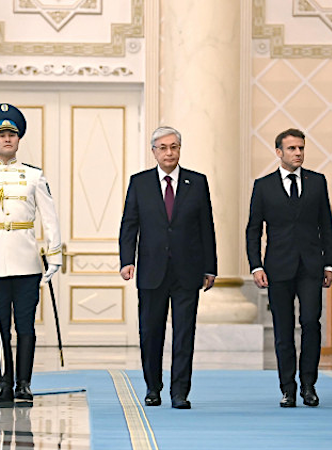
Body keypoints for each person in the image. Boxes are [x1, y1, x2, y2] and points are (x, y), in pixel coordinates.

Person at [0, 103, 63, 407]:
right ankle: (3, 384)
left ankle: (24, 385)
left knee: (26, 328)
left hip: (27, 262)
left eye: (12, 134)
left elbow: (50, 217)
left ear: (18, 140)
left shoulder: (33, 176)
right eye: (1, 135)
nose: (7, 139)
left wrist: (54, 254)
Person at [118, 126, 217, 410]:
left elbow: (206, 227)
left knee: (184, 333)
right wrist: (127, 260)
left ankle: (180, 392)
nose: (169, 153)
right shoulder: (140, 183)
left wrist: (210, 267)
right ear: (154, 152)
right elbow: (129, 224)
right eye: (163, 148)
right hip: (151, 270)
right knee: (151, 332)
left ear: (179, 149)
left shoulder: (197, 182)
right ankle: (153, 387)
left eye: (173, 147)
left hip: (188, 270)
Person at [246, 128, 332, 408]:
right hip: (277, 268)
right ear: (279, 152)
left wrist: (329, 263)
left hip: (311, 266)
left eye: (301, 148)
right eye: (293, 149)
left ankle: (309, 385)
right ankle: (288, 388)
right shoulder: (263, 186)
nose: (298, 153)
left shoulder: (317, 182)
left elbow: (326, 226)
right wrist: (255, 266)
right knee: (283, 329)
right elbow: (253, 229)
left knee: (310, 322)